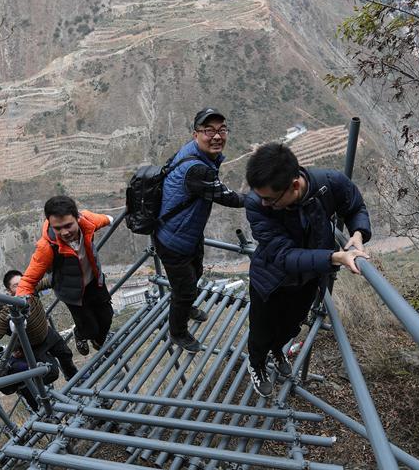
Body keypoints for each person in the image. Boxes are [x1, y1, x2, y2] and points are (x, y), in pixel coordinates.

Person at [244, 142, 371, 397]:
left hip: (307, 280)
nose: (264, 204)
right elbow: (284, 255)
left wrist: (357, 233)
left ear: (294, 185)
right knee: (261, 331)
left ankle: (278, 349)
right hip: (270, 281)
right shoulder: (256, 203)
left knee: (292, 326)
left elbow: (355, 206)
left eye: (270, 198)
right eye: (261, 197)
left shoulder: (329, 183)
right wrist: (335, 257)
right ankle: (256, 363)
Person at [154, 107, 245, 352]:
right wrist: (263, 198)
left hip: (186, 233)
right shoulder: (197, 168)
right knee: (184, 287)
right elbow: (227, 197)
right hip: (174, 240)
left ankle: (186, 305)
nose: (217, 136)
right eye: (209, 131)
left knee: (194, 274)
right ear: (196, 135)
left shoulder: (194, 152)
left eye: (221, 130)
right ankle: (178, 332)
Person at [16, 195, 114, 356]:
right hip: (71, 291)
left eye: (69, 225)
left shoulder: (87, 222)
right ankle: (81, 335)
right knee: (90, 327)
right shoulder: (47, 246)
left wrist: (110, 219)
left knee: (107, 316)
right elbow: (28, 279)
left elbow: (101, 219)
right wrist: (19, 304)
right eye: (58, 228)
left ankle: (98, 341)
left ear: (78, 218)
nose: (65, 232)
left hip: (94, 282)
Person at [0, 270, 77, 410]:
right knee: (51, 373)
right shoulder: (7, 311)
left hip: (47, 333)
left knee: (65, 353)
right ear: (9, 291)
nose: (21, 287)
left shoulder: (31, 288)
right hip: (33, 346)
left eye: (22, 282)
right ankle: (28, 389)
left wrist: (71, 273)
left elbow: (50, 281)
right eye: (15, 285)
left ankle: (75, 380)